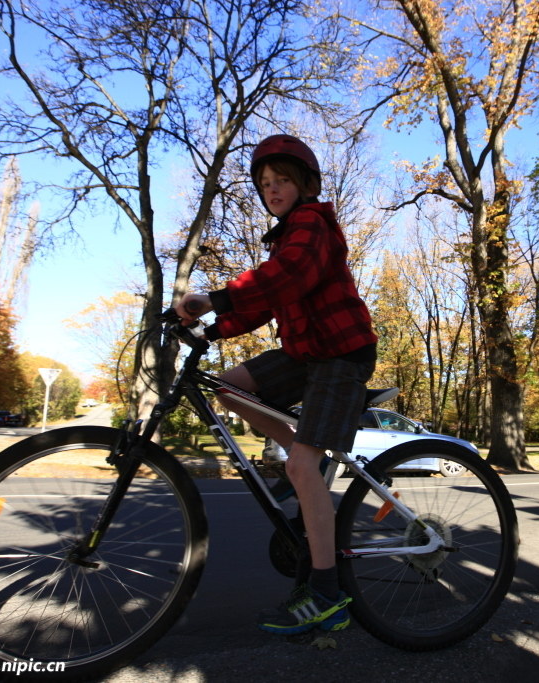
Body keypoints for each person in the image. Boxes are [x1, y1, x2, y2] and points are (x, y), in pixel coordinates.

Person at [174, 134, 377, 636]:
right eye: (265, 183)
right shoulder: (284, 237)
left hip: (341, 352)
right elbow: (264, 304)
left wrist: (214, 298)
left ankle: (328, 594)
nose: (272, 188)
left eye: (281, 179)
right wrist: (209, 329)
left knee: (304, 468)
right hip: (306, 353)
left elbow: (286, 276)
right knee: (227, 386)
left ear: (305, 183)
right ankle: (303, 457)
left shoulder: (312, 224)